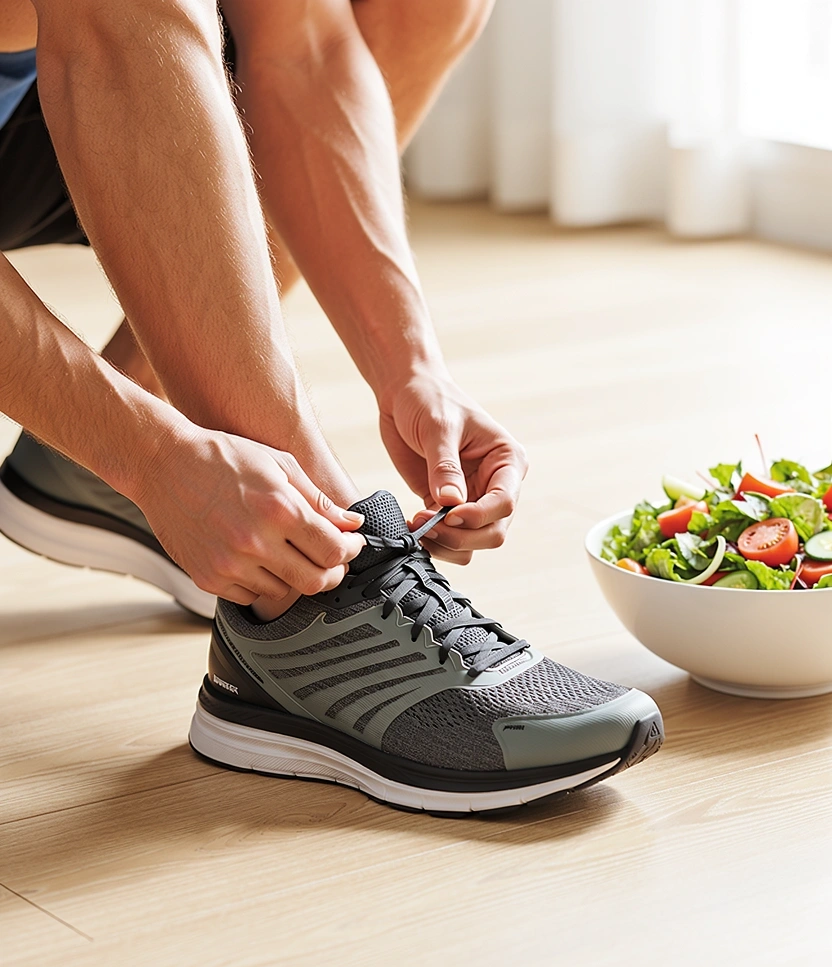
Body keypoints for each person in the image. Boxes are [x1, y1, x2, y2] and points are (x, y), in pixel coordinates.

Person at [0, 0, 663, 812]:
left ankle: (202, 477)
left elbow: (303, 44)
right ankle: (309, 594)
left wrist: (412, 368)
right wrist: (146, 453)